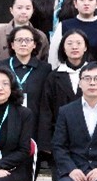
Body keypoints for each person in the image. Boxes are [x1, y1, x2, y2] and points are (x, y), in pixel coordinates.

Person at [0, 25, 52, 181]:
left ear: (35, 45)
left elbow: (46, 106)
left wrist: (44, 141)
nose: (24, 44)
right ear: (12, 44)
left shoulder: (44, 70)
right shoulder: (1, 68)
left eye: (28, 40)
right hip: (4, 133)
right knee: (2, 180)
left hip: (31, 135)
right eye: (19, 40)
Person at [37, 30, 90, 160]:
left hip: (90, 138)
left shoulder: (95, 74)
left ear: (85, 47)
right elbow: (46, 110)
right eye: (69, 43)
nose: (74, 47)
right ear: (63, 48)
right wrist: (46, 143)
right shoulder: (53, 77)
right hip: (61, 139)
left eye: (79, 43)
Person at [0, 0, 50, 71]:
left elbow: (44, 61)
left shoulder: (40, 36)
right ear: (11, 10)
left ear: (33, 11)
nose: (23, 12)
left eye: (28, 8)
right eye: (19, 8)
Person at [51, 0, 97, 65]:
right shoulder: (64, 25)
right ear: (75, 4)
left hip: (96, 71)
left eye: (90, 0)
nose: (86, 3)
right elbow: (54, 55)